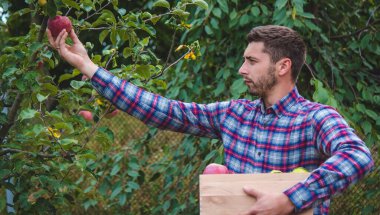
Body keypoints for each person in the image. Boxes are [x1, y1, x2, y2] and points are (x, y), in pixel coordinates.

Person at [47, 25, 374, 215]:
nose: (241, 70)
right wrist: (89, 68)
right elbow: (165, 111)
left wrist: (290, 199)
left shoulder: (316, 118)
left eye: (251, 61)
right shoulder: (234, 114)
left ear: (283, 66)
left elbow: (357, 157)